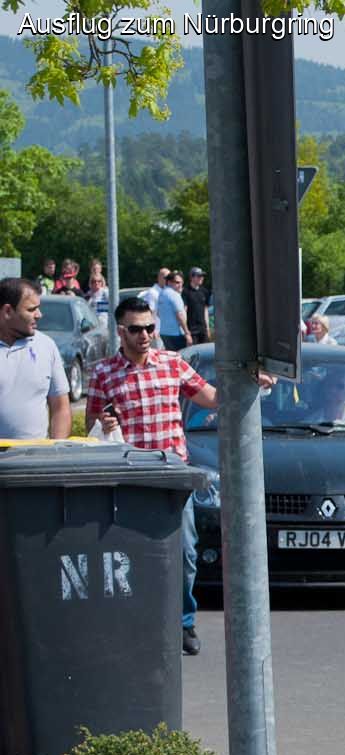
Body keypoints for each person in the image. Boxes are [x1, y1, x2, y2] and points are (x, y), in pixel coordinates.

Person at [87, 296, 272, 657]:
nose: (145, 335)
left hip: (173, 473)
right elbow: (93, 421)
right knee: (130, 554)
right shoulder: (104, 372)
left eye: (150, 327)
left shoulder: (172, 363)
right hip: (130, 476)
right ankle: (138, 622)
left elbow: (213, 398)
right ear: (121, 331)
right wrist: (104, 422)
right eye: (136, 329)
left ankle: (183, 622)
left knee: (185, 551)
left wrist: (248, 381)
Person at [0, 278, 71, 440]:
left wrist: (56, 449)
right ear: (8, 311)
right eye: (31, 310)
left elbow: (60, 407)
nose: (39, 315)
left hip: (36, 454)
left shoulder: (46, 346)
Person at [155, 270, 191, 352]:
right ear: (169, 282)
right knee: (181, 356)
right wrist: (187, 332)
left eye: (181, 282)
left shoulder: (161, 294)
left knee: (171, 356)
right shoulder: (174, 294)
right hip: (176, 333)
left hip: (164, 332)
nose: (180, 285)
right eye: (177, 282)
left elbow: (158, 313)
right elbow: (179, 315)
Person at [182, 267, 211, 344]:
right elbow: (184, 311)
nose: (201, 278)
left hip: (203, 329)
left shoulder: (204, 291)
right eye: (198, 276)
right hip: (192, 330)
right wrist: (186, 332)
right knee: (194, 351)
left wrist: (207, 328)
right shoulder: (185, 291)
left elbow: (205, 310)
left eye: (202, 276)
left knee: (205, 349)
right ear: (191, 277)